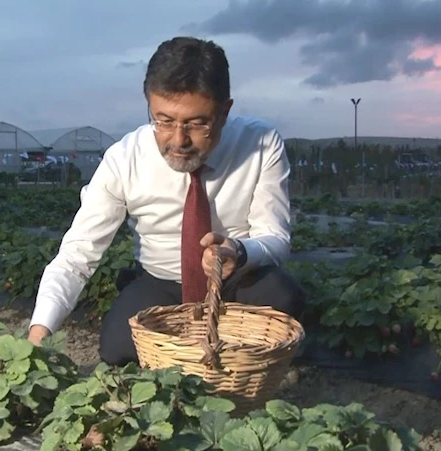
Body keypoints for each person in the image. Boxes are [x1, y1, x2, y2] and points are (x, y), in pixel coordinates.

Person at [28, 36, 305, 366]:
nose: (178, 140)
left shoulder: (260, 144)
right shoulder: (124, 159)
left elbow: (275, 238)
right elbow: (77, 254)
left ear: (224, 111)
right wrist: (38, 335)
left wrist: (239, 251)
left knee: (281, 296)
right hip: (162, 284)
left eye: (197, 123)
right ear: (149, 105)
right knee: (118, 347)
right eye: (163, 120)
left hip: (236, 281)